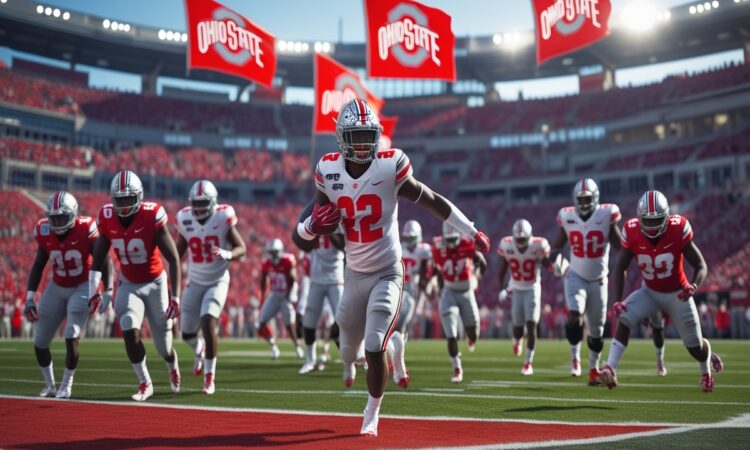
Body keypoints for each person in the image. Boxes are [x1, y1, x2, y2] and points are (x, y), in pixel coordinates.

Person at [292, 97, 490, 436]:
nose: (364, 143)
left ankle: (371, 413)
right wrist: (310, 227)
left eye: (369, 136)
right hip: (353, 274)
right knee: (348, 352)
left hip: (387, 271)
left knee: (373, 346)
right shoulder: (328, 170)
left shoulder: (390, 166)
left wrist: (471, 231)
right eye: (356, 137)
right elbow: (300, 236)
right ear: (342, 138)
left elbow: (432, 200)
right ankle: (395, 348)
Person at [600, 190, 724, 392]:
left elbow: (700, 265)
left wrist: (693, 285)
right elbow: (620, 267)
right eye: (647, 221)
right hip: (649, 291)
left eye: (657, 220)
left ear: (666, 217)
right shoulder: (631, 231)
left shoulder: (678, 228)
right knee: (624, 316)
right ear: (639, 219)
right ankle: (610, 368)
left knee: (695, 348)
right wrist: (619, 299)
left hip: (678, 294)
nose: (652, 226)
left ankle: (706, 362)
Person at [88, 170, 182, 401]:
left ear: (139, 197)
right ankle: (145, 383)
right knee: (129, 327)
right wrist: (97, 290)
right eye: (119, 199)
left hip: (155, 283)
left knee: (163, 346)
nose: (123, 205)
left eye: (129, 199)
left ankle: (171, 362)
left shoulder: (151, 216)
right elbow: (98, 259)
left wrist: (176, 296)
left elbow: (174, 258)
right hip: (128, 282)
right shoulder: (107, 218)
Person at [24, 191, 112, 398]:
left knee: (71, 335)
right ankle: (50, 385)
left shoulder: (86, 228)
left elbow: (104, 259)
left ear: (73, 215)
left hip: (82, 285)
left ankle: (66, 384)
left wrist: (106, 289)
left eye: (62, 217)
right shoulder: (44, 230)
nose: (57, 222)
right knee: (40, 341)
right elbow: (38, 266)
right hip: (57, 285)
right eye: (53, 217)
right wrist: (29, 298)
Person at [175, 180, 246, 395]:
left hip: (217, 280)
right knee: (186, 333)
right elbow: (176, 252)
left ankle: (209, 376)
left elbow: (241, 248)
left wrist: (228, 254)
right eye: (195, 203)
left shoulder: (223, 216)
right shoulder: (184, 218)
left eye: (203, 203)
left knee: (207, 321)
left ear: (213, 202)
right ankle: (199, 348)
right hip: (194, 281)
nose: (198, 208)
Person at [549, 178, 621, 385]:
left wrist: (629, 255)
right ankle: (574, 357)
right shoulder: (568, 216)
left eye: (587, 198)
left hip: (599, 279)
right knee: (574, 315)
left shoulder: (606, 215)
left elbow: (620, 247)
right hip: (575, 276)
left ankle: (593, 369)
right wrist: (554, 258)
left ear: (595, 198)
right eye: (580, 199)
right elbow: (557, 247)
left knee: (597, 331)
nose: (583, 203)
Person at [497, 219, 559, 375]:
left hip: (532, 287)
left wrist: (555, 266)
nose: (520, 242)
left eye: (523, 239)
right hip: (516, 288)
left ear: (529, 237)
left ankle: (527, 363)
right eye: (518, 239)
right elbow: (501, 270)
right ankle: (517, 340)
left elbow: (548, 265)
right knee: (518, 327)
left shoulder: (538, 245)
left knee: (531, 325)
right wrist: (503, 288)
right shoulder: (507, 245)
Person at [429, 223, 487, 383]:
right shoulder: (437, 246)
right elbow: (437, 270)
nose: (451, 243)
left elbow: (482, 263)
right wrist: (435, 284)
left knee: (473, 333)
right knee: (451, 334)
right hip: (449, 292)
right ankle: (457, 368)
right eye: (449, 239)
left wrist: (477, 275)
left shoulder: (467, 244)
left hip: (466, 292)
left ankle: (471, 338)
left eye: (454, 239)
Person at [299, 231, 344, 374]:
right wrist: (311, 229)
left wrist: (328, 230)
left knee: (344, 321)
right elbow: (304, 245)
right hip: (317, 280)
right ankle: (310, 361)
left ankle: (354, 357)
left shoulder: (340, 220)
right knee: (309, 321)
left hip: (335, 280)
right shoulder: (313, 218)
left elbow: (343, 245)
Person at [258, 238, 302, 359]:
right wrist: (262, 295)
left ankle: (297, 346)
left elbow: (293, 277)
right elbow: (263, 279)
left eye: (274, 252)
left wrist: (290, 293)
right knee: (261, 323)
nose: (272, 254)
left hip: (285, 296)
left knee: (289, 325)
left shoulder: (287, 260)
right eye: (271, 252)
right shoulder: (267, 263)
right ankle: (274, 347)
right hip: (274, 295)